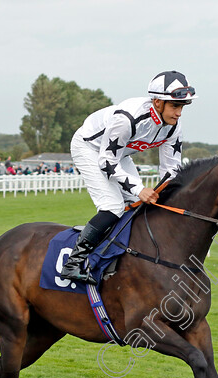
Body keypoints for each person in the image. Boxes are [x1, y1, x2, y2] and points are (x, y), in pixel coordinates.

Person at [60, 70, 196, 285]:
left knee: (136, 205)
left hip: (118, 154)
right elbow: (106, 162)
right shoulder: (128, 118)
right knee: (113, 206)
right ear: (157, 102)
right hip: (90, 148)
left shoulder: (173, 128)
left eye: (182, 107)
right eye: (175, 106)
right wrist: (139, 189)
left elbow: (171, 171)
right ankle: (73, 263)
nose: (179, 113)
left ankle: (120, 256)